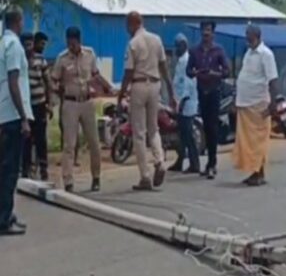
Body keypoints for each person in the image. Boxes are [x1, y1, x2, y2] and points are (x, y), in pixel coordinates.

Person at [117, 12, 176, 191]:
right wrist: (171, 91)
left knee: (139, 133)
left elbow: (128, 72)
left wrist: (121, 93)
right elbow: (164, 67)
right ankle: (159, 161)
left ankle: (145, 176)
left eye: (128, 25)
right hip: (155, 85)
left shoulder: (133, 43)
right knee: (154, 129)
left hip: (139, 85)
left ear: (132, 24)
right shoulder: (156, 39)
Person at [52, 27, 112, 192]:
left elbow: (96, 74)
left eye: (73, 42)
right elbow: (53, 80)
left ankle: (96, 177)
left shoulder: (89, 54)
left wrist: (107, 87)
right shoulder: (62, 58)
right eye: (68, 43)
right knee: (69, 144)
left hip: (86, 102)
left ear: (79, 41)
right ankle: (68, 180)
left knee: (94, 142)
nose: (71, 46)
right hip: (70, 103)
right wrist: (58, 91)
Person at [232, 25, 279, 186]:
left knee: (257, 141)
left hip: (258, 103)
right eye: (246, 37)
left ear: (257, 37)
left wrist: (273, 104)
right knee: (248, 142)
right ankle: (255, 172)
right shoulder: (249, 53)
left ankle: (258, 173)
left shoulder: (266, 54)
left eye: (250, 38)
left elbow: (273, 80)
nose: (247, 40)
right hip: (245, 103)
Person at [0, 7, 32, 235]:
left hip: (4, 114)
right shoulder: (14, 46)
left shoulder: (2, 43)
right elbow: (13, 82)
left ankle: (7, 214)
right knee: (10, 170)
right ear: (18, 22)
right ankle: (4, 220)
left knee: (6, 168)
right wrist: (23, 117)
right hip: (12, 115)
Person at [187, 20, 230, 178]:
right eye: (204, 30)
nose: (206, 33)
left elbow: (226, 72)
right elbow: (188, 71)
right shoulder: (194, 51)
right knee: (206, 126)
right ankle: (209, 162)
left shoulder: (219, 50)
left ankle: (212, 163)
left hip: (214, 91)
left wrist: (214, 74)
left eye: (208, 30)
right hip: (201, 91)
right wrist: (195, 73)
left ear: (213, 33)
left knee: (212, 127)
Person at [169, 34, 201, 175]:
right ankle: (180, 161)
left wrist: (182, 101)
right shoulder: (181, 60)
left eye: (178, 45)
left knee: (188, 135)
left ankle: (195, 164)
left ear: (184, 45)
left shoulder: (187, 60)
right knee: (181, 135)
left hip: (186, 103)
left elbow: (189, 83)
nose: (176, 48)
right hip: (180, 102)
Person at [22, 32, 51, 180]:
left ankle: (43, 168)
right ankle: (25, 169)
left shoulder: (40, 60)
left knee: (41, 139)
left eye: (30, 44)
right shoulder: (19, 61)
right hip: (25, 107)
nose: (28, 48)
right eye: (25, 45)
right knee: (26, 139)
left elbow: (48, 83)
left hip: (39, 104)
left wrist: (49, 104)